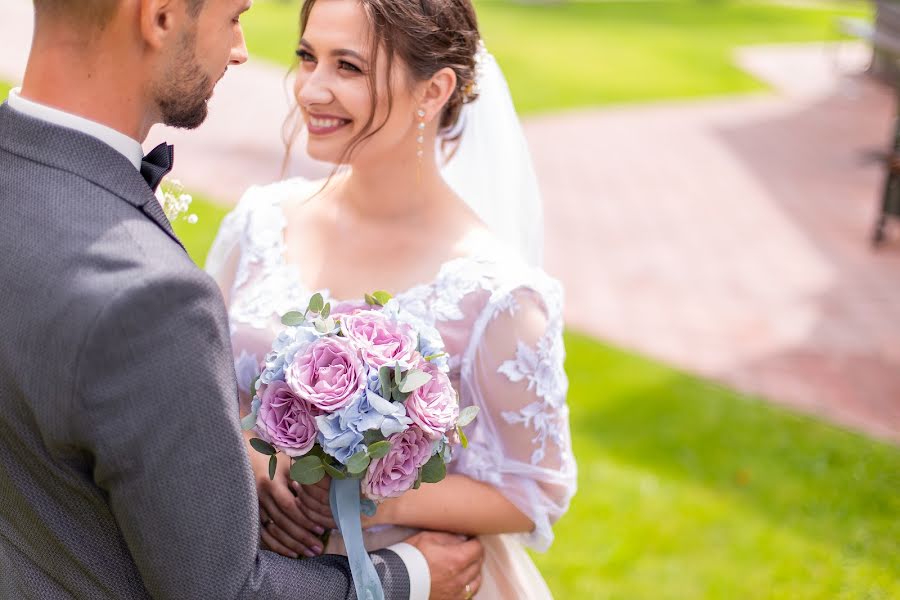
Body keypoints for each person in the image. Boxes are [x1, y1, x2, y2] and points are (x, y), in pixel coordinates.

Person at [0, 1, 483, 598]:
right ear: (159, 17)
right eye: (232, 16)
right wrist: (408, 575)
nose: (240, 50)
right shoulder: (152, 297)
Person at [206, 0, 577, 597]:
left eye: (348, 67)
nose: (312, 89)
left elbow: (534, 490)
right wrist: (255, 464)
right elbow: (196, 383)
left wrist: (361, 496)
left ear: (434, 90)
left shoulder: (495, 292)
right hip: (239, 564)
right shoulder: (259, 222)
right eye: (308, 58)